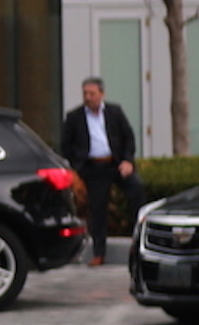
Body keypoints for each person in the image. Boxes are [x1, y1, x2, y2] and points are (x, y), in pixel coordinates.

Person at [58, 77, 145, 266]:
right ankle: (99, 253)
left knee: (136, 189)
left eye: (92, 94)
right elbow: (66, 145)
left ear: (102, 94)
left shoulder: (115, 112)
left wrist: (127, 161)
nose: (88, 98)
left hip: (116, 164)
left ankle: (139, 241)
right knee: (97, 208)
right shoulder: (74, 117)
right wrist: (77, 167)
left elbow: (128, 138)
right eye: (85, 94)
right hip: (93, 168)